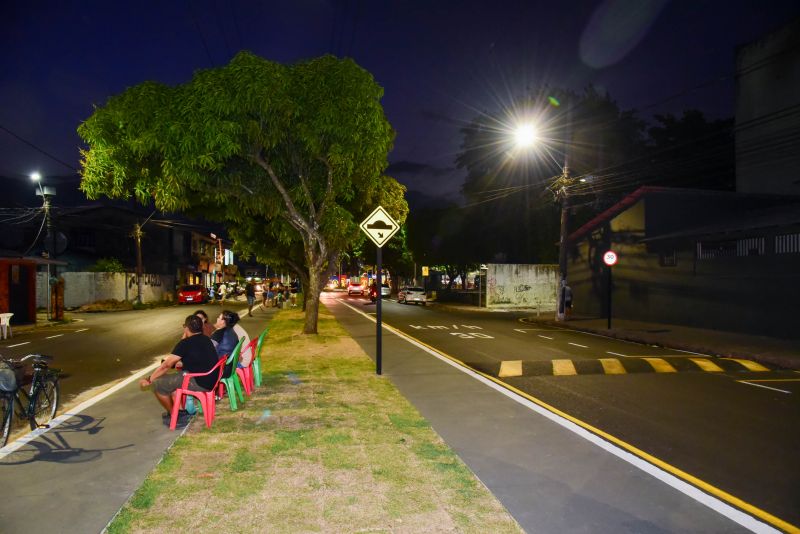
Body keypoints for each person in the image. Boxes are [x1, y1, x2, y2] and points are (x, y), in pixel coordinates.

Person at [139, 314, 219, 424]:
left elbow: (166, 365)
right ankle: (180, 412)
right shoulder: (206, 339)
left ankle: (175, 416)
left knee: (158, 384)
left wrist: (149, 379)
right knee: (170, 380)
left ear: (186, 328)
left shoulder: (186, 343)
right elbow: (193, 358)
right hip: (211, 379)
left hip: (200, 381)